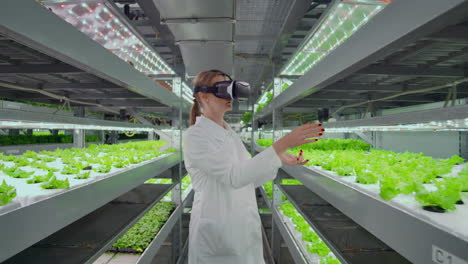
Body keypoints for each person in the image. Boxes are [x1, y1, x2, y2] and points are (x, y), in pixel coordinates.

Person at [183, 70, 324, 264]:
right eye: (223, 90)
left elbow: (250, 178)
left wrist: (278, 158)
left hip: (242, 228)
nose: (230, 97)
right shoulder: (195, 136)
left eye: (231, 90)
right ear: (203, 96)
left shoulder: (229, 133)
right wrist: (281, 144)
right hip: (218, 233)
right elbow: (235, 177)